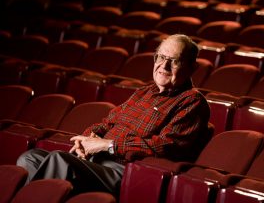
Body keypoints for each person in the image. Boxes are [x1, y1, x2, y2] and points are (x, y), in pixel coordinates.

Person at [17, 34, 210, 197]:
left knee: (59, 160)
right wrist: (87, 139)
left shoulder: (192, 101)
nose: (164, 66)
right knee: (30, 158)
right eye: (160, 57)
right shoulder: (144, 92)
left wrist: (108, 145)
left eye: (174, 61)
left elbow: (166, 146)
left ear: (192, 68)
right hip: (99, 160)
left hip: (129, 171)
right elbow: (108, 122)